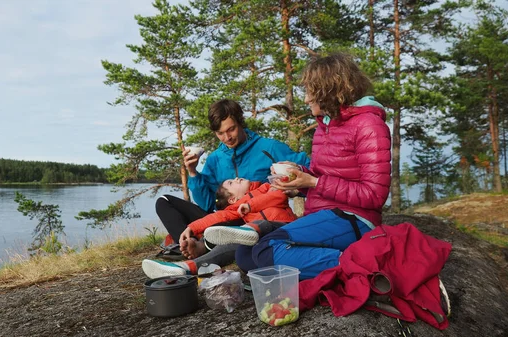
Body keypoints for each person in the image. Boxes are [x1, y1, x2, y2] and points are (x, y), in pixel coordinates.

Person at [204, 53, 392, 280]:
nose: (305, 99)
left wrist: (314, 182)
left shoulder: (369, 125)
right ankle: (330, 258)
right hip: (321, 214)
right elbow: (323, 176)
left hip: (354, 218)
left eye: (310, 91)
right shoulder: (325, 126)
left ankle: (362, 268)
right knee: (246, 254)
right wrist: (299, 178)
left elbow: (374, 196)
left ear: (329, 89)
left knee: (267, 251)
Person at [154, 99, 310, 261]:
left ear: (240, 122)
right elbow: (206, 205)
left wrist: (295, 174)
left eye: (231, 129)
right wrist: (193, 172)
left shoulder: (268, 148)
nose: (227, 137)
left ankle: (201, 248)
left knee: (233, 221)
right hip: (221, 219)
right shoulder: (215, 159)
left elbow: (310, 172)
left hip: (251, 222)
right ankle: (187, 245)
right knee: (164, 201)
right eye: (220, 133)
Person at [142, 178, 297, 278]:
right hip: (261, 239)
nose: (236, 178)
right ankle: (185, 268)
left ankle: (243, 232)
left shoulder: (264, 187)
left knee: (258, 226)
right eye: (231, 183)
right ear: (233, 199)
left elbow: (279, 196)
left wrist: (250, 205)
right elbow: (218, 216)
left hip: (285, 228)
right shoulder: (237, 208)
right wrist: (192, 227)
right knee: (235, 241)